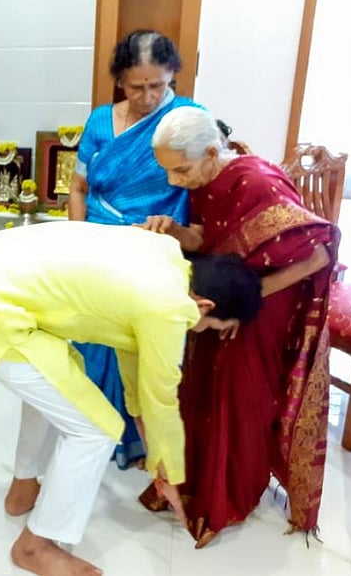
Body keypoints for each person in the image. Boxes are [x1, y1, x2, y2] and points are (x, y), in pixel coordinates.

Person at [0, 222, 263, 576]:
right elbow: (163, 397)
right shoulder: (169, 307)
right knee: (96, 431)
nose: (204, 333)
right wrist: (170, 472)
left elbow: (134, 352)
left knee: (61, 394)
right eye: (215, 329)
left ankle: (23, 490)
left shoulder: (165, 255)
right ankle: (34, 546)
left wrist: (141, 418)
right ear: (206, 306)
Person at [142, 106, 338, 547]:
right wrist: (173, 231)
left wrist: (240, 307)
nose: (175, 181)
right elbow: (205, 238)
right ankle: (195, 480)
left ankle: (233, 495)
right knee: (201, 385)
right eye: (169, 172)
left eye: (182, 170)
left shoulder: (259, 183)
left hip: (266, 300)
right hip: (226, 293)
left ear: (212, 151)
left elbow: (316, 258)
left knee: (239, 394)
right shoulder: (207, 179)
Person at [67, 30, 204, 469]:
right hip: (100, 244)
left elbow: (205, 185)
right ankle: (90, 432)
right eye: (136, 86)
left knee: (146, 348)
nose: (147, 96)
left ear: (172, 78)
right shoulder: (99, 122)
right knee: (93, 337)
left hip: (155, 248)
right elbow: (78, 186)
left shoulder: (188, 119)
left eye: (157, 85)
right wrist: (79, 239)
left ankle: (141, 442)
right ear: (120, 81)